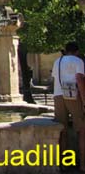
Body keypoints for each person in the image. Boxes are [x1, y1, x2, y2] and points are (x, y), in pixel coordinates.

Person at [52, 42, 85, 171]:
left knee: (62, 130)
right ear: (77, 51)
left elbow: (55, 79)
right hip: (74, 96)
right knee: (82, 130)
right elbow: (79, 80)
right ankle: (83, 165)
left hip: (58, 95)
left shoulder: (57, 61)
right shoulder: (78, 61)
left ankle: (63, 164)